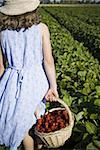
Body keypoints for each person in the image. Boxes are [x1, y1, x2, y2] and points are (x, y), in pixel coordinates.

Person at [0, 0, 59, 150]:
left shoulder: (2, 34)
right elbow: (48, 61)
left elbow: (1, 67)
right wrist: (53, 86)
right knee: (37, 117)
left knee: (23, 125)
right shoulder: (41, 29)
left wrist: (4, 89)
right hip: (36, 80)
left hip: (13, 82)